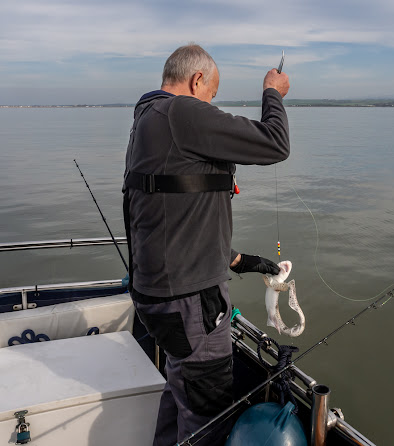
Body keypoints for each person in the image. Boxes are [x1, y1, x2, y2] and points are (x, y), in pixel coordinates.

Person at [122, 43, 290, 446]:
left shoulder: (148, 118)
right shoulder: (182, 111)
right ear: (198, 80)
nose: (210, 105)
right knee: (207, 413)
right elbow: (275, 144)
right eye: (212, 95)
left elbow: (170, 214)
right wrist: (273, 93)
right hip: (190, 303)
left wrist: (237, 260)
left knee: (180, 386)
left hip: (156, 295)